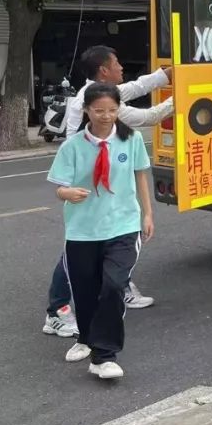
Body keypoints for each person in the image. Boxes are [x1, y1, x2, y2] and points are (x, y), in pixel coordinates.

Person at [42, 46, 172, 338]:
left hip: (108, 182)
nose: (122, 68)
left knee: (115, 242)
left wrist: (164, 76)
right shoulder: (98, 102)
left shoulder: (102, 94)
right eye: (117, 63)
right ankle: (57, 310)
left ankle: (120, 288)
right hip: (86, 186)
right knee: (76, 253)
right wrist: (185, 96)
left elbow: (136, 87)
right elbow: (147, 116)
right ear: (103, 70)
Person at [46, 83, 156, 380]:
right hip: (83, 231)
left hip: (123, 226)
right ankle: (84, 338)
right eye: (99, 111)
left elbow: (140, 175)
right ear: (86, 111)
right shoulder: (72, 147)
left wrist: (147, 213)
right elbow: (60, 187)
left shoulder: (130, 139)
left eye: (112, 110)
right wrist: (66, 194)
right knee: (85, 292)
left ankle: (104, 355)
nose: (106, 116)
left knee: (113, 285)